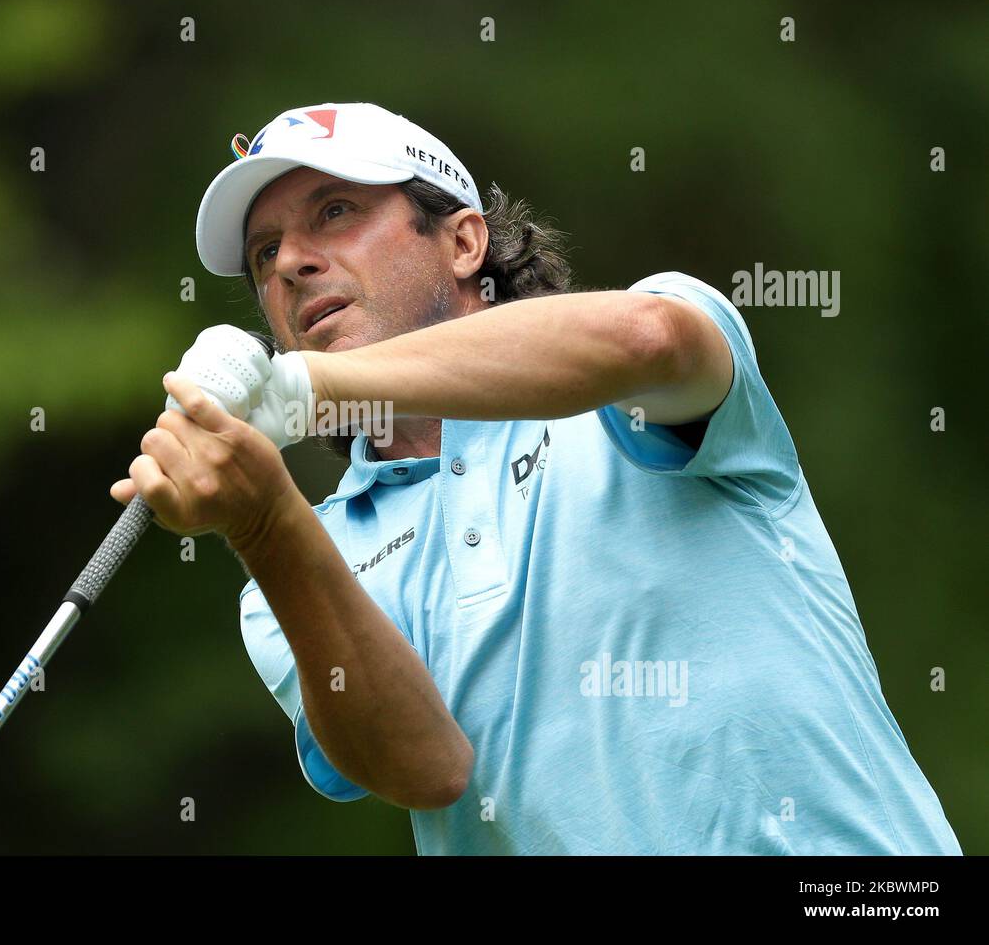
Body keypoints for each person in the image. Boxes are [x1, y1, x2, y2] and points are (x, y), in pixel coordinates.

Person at [110, 101, 962, 855]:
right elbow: (426, 767)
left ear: (463, 239)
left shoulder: (622, 393)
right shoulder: (303, 556)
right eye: (265, 253)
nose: (292, 262)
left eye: (335, 212)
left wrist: (307, 387)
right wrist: (264, 525)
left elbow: (645, 341)